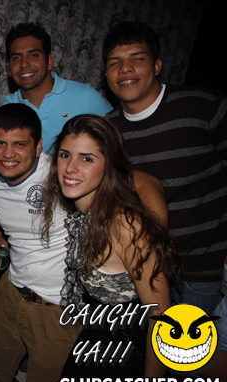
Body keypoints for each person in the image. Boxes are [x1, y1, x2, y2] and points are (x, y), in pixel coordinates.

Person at [40, 114, 179, 382]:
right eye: (65, 155)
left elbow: (160, 314)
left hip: (133, 354)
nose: (70, 168)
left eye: (87, 159)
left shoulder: (126, 226)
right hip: (99, 338)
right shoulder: (85, 210)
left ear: (109, 166)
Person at [103, 21, 227, 315]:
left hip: (202, 274)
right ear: (106, 73)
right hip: (144, 273)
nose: (125, 69)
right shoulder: (108, 131)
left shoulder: (203, 106)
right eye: (115, 62)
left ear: (157, 65)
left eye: (137, 59)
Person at [0, 103, 82, 382]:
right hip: (11, 290)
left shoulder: (60, 173)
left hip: (56, 307)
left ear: (38, 146)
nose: (8, 154)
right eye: (0, 144)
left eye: (20, 144)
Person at [1, 22, 112, 153]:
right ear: (9, 68)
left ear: (49, 60)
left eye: (34, 55)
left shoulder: (86, 98)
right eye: (16, 58)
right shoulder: (6, 110)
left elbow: (117, 145)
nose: (24, 64)